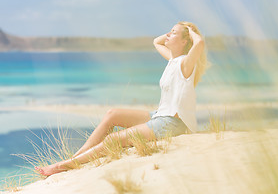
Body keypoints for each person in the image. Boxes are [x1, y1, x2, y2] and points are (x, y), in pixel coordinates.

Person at [35, 21, 208, 176]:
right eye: (168, 31)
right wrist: (176, 33)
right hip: (160, 115)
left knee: (113, 139)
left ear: (185, 42)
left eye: (173, 33)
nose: (168, 35)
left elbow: (199, 43)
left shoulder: (186, 63)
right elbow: (156, 41)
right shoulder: (173, 60)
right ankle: (77, 156)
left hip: (173, 123)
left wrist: (190, 31)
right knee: (112, 114)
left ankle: (66, 165)